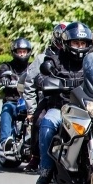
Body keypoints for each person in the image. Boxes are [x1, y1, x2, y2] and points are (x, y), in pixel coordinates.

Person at [33, 21, 93, 184]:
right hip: (62, 108)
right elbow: (41, 77)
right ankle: (46, 168)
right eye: (76, 43)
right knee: (47, 123)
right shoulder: (55, 59)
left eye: (83, 43)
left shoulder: (91, 60)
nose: (80, 46)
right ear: (67, 43)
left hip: (88, 108)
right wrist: (47, 82)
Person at [22, 22, 66, 172]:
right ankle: (36, 157)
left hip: (74, 100)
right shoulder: (43, 58)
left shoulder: (77, 58)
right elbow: (29, 83)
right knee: (39, 120)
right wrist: (31, 110)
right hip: (48, 100)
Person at [0, 38, 33, 156]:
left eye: (24, 51)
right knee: (7, 109)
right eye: (19, 51)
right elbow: (1, 74)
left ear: (28, 52)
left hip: (29, 101)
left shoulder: (32, 67)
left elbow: (40, 76)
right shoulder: (7, 66)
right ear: (14, 52)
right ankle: (4, 142)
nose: (22, 54)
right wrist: (3, 79)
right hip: (13, 101)